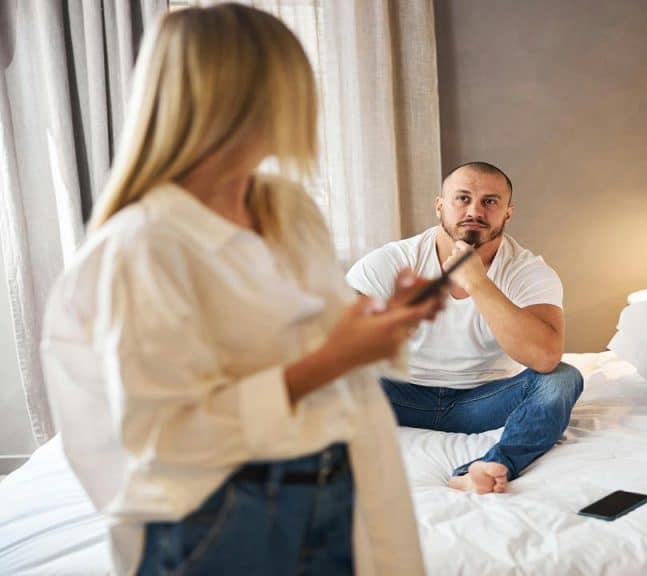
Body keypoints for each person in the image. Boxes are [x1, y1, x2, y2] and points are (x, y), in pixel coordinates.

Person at [40, 5, 440, 575]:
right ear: (239, 96)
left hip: (334, 481)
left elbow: (310, 334)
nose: (307, 103)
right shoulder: (143, 248)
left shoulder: (288, 209)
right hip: (225, 517)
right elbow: (167, 438)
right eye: (292, 84)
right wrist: (335, 358)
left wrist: (382, 317)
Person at [346, 161, 584, 495]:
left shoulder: (529, 272)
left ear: (508, 213)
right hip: (399, 394)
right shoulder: (392, 261)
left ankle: (487, 467)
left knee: (563, 378)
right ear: (440, 205)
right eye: (462, 198)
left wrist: (478, 282)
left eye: (490, 201)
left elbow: (544, 358)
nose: (475, 210)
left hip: (483, 401)